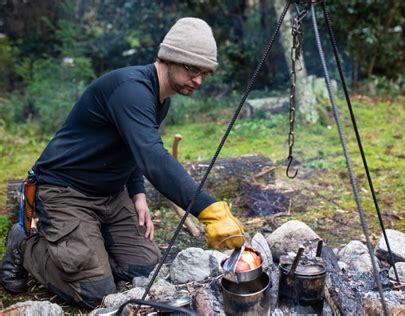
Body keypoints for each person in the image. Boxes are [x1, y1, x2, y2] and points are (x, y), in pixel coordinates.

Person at [0, 17, 245, 308]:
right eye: (192, 69)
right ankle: (26, 244)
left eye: (205, 72)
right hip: (65, 192)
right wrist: (209, 209)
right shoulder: (131, 89)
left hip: (110, 195)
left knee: (144, 268)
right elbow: (151, 155)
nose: (199, 80)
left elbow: (130, 149)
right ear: (168, 58)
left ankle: (87, 244)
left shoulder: (159, 101)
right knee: (95, 292)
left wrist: (137, 194)